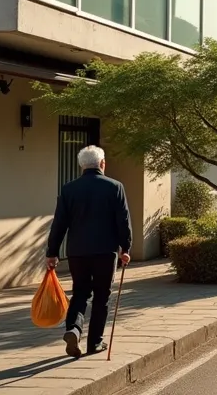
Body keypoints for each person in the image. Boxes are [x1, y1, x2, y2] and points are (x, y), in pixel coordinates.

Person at [46, 145, 132, 358]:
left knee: (80, 292)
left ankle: (73, 329)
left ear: (81, 166)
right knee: (102, 296)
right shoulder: (115, 187)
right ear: (102, 164)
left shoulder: (69, 189)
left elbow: (59, 224)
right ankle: (95, 342)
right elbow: (123, 221)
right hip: (105, 251)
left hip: (78, 251)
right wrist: (126, 247)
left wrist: (52, 252)